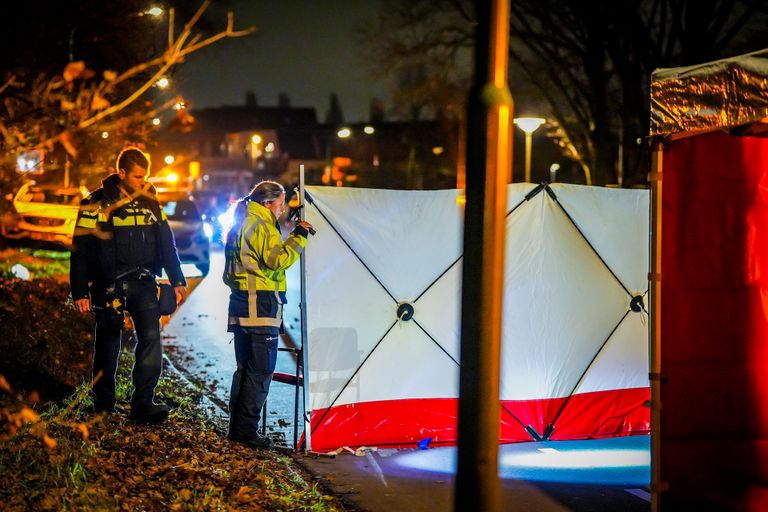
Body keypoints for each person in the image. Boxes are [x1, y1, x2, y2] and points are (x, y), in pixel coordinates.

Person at [70, 147, 188, 423]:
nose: (143, 181)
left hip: (143, 281)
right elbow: (81, 250)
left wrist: (177, 279)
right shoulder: (95, 203)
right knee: (109, 342)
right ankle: (103, 404)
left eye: (145, 176)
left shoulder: (149, 201)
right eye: (137, 177)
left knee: (151, 338)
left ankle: (143, 403)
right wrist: (79, 291)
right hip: (108, 285)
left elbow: (165, 242)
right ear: (121, 173)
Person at [223, 180, 313, 448]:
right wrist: (299, 236)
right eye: (280, 203)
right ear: (267, 203)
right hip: (260, 306)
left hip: (241, 305)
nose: (283, 208)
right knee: (261, 371)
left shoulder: (244, 220)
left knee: (245, 369)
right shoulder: (262, 225)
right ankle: (246, 432)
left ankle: (237, 429)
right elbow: (278, 260)